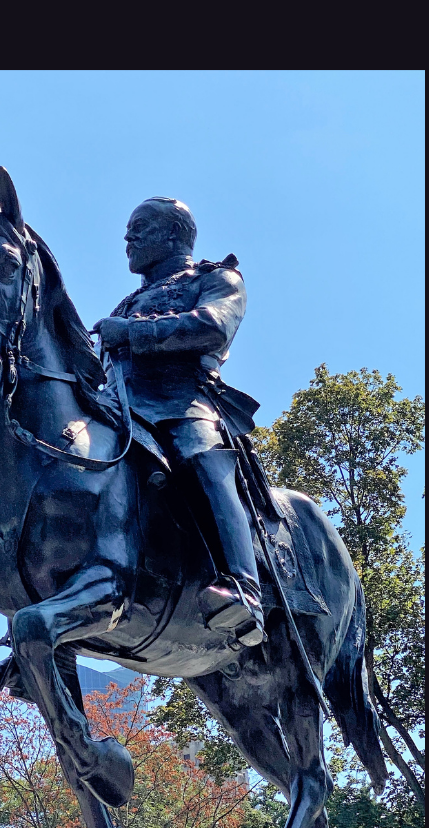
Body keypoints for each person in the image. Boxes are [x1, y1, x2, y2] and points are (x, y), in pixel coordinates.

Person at [93, 197, 264, 648]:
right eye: (129, 228)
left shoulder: (217, 278)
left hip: (182, 403)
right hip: (120, 410)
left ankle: (243, 591)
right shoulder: (126, 302)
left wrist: (130, 334)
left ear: (173, 234)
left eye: (140, 227)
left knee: (199, 457)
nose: (128, 237)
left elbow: (212, 327)